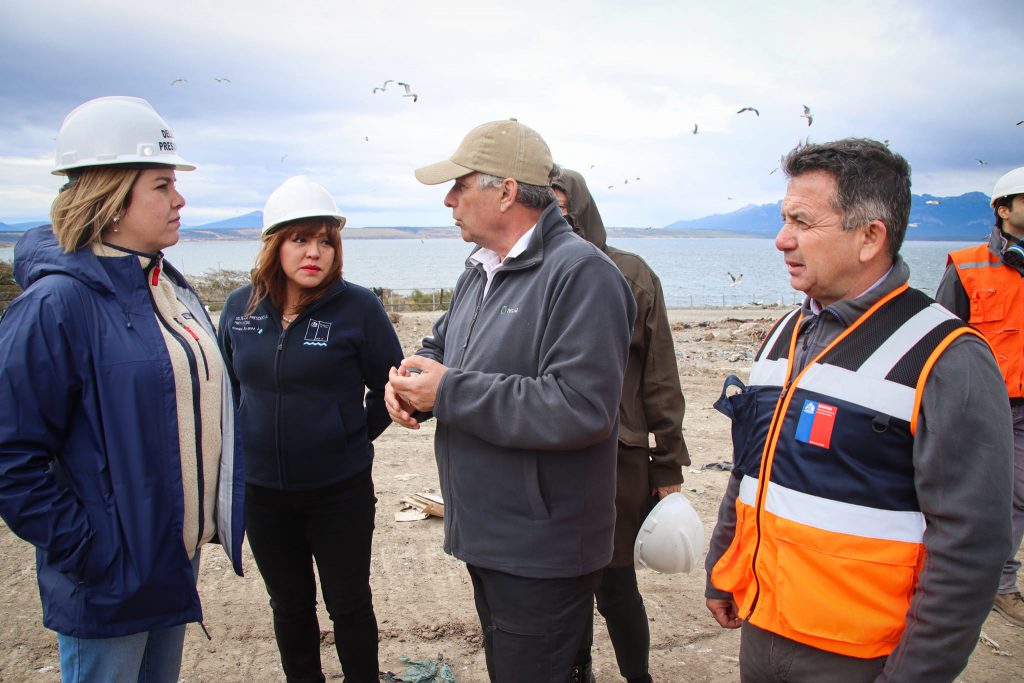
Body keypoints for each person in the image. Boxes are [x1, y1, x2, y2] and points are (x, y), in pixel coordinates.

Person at [705, 138, 1013, 682]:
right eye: (783, 218)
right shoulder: (784, 333)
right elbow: (751, 468)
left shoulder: (946, 357)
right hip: (763, 623)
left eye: (802, 221)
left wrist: (914, 673)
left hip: (860, 654)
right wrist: (721, 566)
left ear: (871, 236)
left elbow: (971, 544)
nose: (781, 239)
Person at [0, 95, 245, 683]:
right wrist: (91, 549)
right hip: (108, 575)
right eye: (162, 185)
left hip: (170, 561)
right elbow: (10, 454)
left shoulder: (166, 287)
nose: (180, 199)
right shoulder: (56, 304)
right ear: (110, 199)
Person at [384, 119, 636, 683]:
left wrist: (447, 391)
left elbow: (581, 407)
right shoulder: (480, 268)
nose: (448, 200)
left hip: (542, 546)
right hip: (491, 532)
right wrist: (409, 384)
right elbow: (442, 348)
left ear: (506, 192)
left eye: (459, 186)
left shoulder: (583, 275)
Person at [218, 175, 403, 683]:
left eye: (326, 240)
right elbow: (228, 389)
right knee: (289, 605)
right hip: (262, 493)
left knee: (349, 603)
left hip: (338, 492)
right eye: (300, 239)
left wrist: (349, 435)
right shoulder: (240, 307)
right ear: (274, 245)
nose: (315, 252)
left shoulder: (358, 308)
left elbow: (390, 388)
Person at [552, 168, 688, 683]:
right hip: (551, 454)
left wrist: (668, 462)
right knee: (564, 586)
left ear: (580, 207)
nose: (554, 216)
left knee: (614, 584)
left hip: (619, 459)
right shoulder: (532, 275)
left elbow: (660, 373)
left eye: (561, 205)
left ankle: (638, 678)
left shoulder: (630, 274)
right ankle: (577, 674)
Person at [935, 165, 1024, 628]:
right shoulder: (967, 265)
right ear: (1003, 209)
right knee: (961, 490)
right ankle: (961, 578)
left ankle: (999, 584)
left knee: (1016, 497)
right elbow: (940, 338)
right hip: (982, 403)